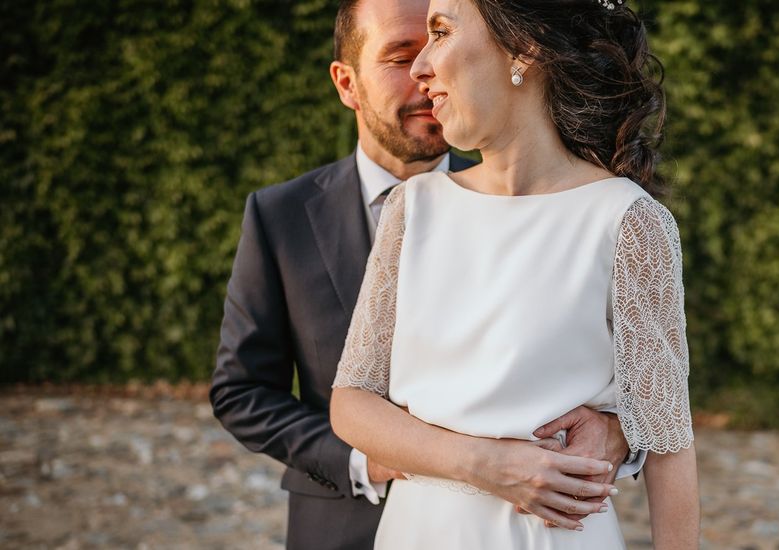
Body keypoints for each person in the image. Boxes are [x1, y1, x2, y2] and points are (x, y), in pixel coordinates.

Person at [209, 0, 637, 548]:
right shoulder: (279, 216)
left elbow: (642, 388)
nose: (425, 72)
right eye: (399, 55)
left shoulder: (541, 201)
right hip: (337, 523)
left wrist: (616, 432)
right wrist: (366, 456)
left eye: (439, 41)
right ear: (347, 83)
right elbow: (241, 390)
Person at [330, 0, 701, 548]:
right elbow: (351, 402)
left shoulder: (627, 221)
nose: (420, 67)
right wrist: (484, 463)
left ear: (523, 48)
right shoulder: (413, 208)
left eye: (441, 31)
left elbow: (669, 442)